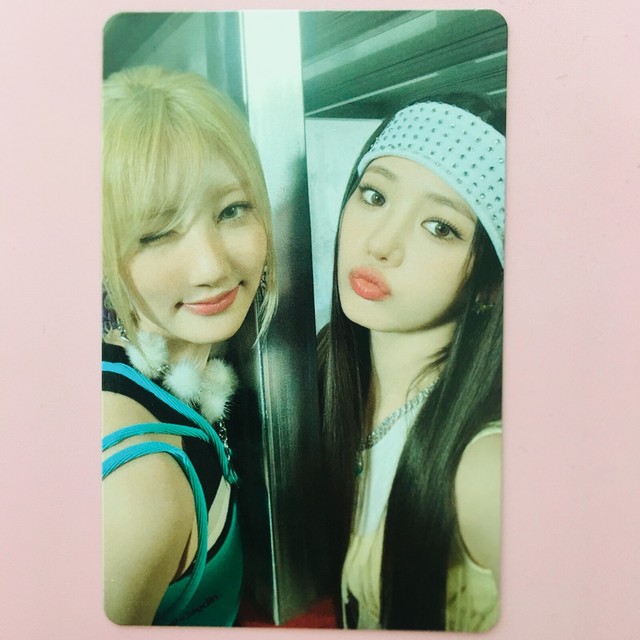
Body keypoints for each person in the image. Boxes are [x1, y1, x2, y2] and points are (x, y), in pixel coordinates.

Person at [317, 94, 505, 631]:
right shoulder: (321, 372)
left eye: (440, 227)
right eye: (374, 195)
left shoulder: (485, 470)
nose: (381, 244)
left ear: (489, 283)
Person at [101, 65, 276, 626]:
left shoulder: (174, 373)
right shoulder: (141, 484)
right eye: (157, 233)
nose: (212, 267)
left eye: (232, 210)